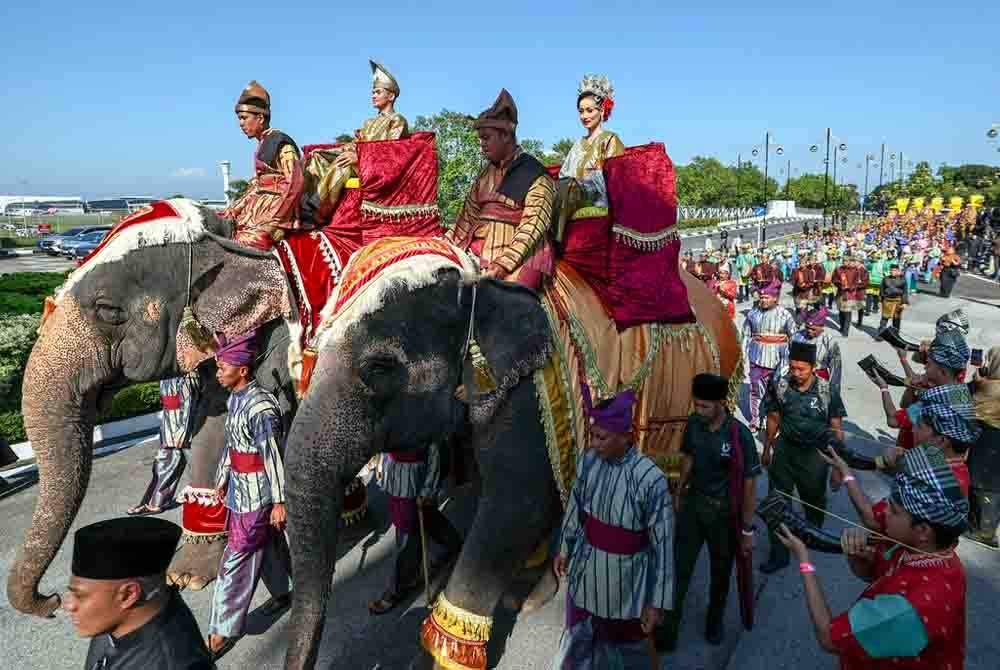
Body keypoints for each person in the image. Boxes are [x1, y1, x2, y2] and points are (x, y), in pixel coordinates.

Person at [776, 445, 968, 670]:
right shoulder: (922, 551)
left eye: (894, 510)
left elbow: (829, 639)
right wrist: (857, 559)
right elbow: (873, 574)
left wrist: (804, 559)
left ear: (924, 531)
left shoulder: (912, 606)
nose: (884, 511)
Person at [552, 386, 672, 669]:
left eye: (601, 437)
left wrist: (657, 603)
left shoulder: (650, 479)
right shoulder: (588, 462)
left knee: (627, 649)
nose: (594, 444)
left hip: (627, 581)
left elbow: (664, 545)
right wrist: (564, 547)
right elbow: (575, 508)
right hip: (586, 566)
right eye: (592, 436)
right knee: (581, 640)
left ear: (625, 437)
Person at [207, 330, 292, 659]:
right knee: (267, 544)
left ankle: (222, 630)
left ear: (242, 370)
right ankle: (284, 593)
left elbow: (271, 455)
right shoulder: (236, 398)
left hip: (258, 494)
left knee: (236, 557)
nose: (218, 372)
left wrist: (280, 501)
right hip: (240, 489)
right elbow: (232, 443)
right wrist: (223, 474)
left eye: (222, 366)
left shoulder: (260, 407)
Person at [660, 374, 760, 651]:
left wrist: (747, 529)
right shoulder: (694, 423)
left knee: (720, 576)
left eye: (705, 406)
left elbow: (751, 484)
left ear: (720, 403)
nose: (698, 411)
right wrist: (679, 491)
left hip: (724, 517)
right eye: (696, 405)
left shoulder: (739, 435)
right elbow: (689, 456)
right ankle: (667, 631)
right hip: (693, 508)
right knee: (678, 571)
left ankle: (714, 623)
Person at [66, 517, 214, 670]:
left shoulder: (175, 663)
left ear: (129, 594)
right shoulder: (116, 619)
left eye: (80, 595)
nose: (68, 605)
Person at [446, 89, 557, 289]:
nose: (482, 144)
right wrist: (443, 245)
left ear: (506, 135)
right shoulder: (484, 175)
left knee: (511, 306)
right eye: (480, 138)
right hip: (477, 247)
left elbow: (533, 227)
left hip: (524, 255)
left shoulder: (535, 174)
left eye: (486, 138)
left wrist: (503, 264)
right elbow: (466, 219)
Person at [760, 340, 847, 573]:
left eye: (802, 369)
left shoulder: (827, 391)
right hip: (784, 453)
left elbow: (836, 428)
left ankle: (812, 539)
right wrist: (768, 448)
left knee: (814, 504)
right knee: (777, 503)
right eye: (792, 367)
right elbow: (773, 417)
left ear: (813, 367)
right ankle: (778, 554)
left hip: (815, 457)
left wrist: (839, 468)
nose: (796, 373)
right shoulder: (779, 386)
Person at [302, 60, 410, 224]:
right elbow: (355, 144)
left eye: (378, 92)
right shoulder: (369, 123)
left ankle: (319, 213)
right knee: (317, 157)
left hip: (378, 168)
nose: (373, 96)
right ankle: (303, 206)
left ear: (391, 96)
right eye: (373, 92)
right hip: (361, 162)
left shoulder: (397, 120)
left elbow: (391, 151)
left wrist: (359, 157)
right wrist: (327, 152)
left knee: (342, 167)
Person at [368, 442, 462, 615]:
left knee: (408, 538)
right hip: (396, 483)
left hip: (415, 486)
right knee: (426, 517)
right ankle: (453, 543)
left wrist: (427, 491)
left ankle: (398, 588)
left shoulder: (426, 429)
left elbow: (434, 454)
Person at [222, 80, 302, 250]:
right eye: (239, 119)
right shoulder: (263, 143)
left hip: (277, 211)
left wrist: (276, 220)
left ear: (260, 118)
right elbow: (257, 185)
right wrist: (235, 208)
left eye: (244, 118)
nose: (241, 124)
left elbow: (295, 183)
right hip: (258, 207)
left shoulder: (281, 143)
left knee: (244, 245)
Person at [129, 372, 200, 516]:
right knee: (163, 464)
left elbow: (189, 403)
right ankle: (155, 502)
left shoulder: (189, 374)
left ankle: (214, 501)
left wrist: (183, 430)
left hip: (187, 426)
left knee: (199, 466)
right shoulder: (166, 375)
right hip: (169, 424)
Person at [557, 74, 624, 213]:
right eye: (581, 112)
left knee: (568, 187)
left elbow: (614, 179)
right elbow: (563, 174)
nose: (584, 116)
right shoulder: (578, 144)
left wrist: (583, 183)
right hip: (570, 195)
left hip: (598, 199)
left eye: (590, 110)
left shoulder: (610, 139)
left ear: (602, 110)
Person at [741, 279, 797, 432]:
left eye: (766, 297)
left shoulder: (785, 315)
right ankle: (755, 419)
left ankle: (770, 420)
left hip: (778, 360)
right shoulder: (753, 313)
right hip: (756, 358)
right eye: (761, 297)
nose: (763, 300)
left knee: (775, 393)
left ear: (775, 298)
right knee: (755, 390)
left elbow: (794, 337)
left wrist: (792, 361)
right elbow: (745, 334)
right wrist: (742, 355)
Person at [968, 347, 1000, 546]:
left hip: (992, 445)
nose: (986, 364)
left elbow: (972, 405)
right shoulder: (990, 384)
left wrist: (979, 384)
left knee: (987, 487)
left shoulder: (993, 389)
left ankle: (985, 534)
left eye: (991, 360)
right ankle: (980, 526)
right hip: (990, 444)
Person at [792, 305, 842, 393]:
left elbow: (836, 368)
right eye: (807, 327)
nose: (809, 331)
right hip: (798, 379)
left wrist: (834, 390)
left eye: (813, 329)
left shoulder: (829, 341)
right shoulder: (797, 336)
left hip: (819, 381)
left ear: (822, 327)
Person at [832, 253, 869, 336]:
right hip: (841, 293)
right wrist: (840, 284)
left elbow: (857, 282)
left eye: (847, 261)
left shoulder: (855, 270)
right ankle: (842, 327)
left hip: (850, 294)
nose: (845, 262)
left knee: (848, 312)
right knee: (841, 312)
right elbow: (834, 279)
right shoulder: (838, 269)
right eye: (844, 261)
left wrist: (851, 287)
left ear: (849, 261)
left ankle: (846, 331)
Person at [877, 261, 908, 338]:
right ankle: (880, 334)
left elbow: (905, 292)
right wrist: (880, 300)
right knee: (884, 318)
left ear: (898, 271)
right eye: (891, 270)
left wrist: (904, 302)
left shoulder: (903, 280)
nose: (892, 272)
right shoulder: (885, 279)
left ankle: (896, 335)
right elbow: (881, 290)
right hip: (887, 300)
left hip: (898, 301)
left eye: (894, 270)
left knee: (896, 319)